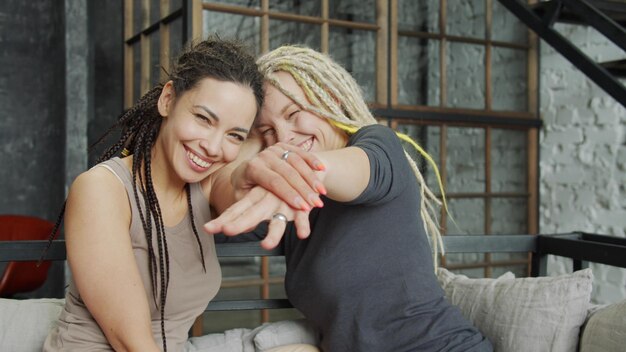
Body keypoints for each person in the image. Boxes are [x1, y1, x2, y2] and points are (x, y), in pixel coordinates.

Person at [206, 46, 494, 352]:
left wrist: (287, 163)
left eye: (294, 115)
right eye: (266, 131)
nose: (284, 137)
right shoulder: (288, 205)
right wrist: (250, 146)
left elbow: (347, 168)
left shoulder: (377, 146)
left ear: (331, 99)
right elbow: (210, 221)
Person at [42, 37, 269, 352]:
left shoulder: (208, 184)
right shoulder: (102, 190)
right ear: (168, 100)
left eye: (234, 135)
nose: (213, 147)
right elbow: (132, 344)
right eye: (204, 118)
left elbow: (243, 172)